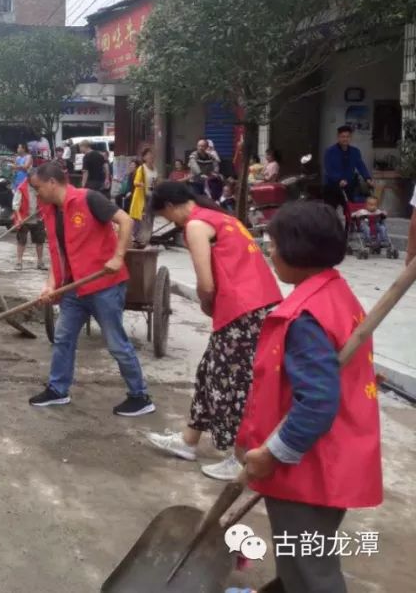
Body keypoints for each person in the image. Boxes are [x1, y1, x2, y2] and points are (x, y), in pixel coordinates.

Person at [238, 202, 381, 593]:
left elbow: (316, 402)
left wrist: (271, 454)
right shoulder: (334, 292)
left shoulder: (306, 316)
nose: (270, 251)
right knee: (299, 558)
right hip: (326, 458)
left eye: (274, 243)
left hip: (310, 466)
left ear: (299, 250)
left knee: (311, 569)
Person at [145, 181, 281, 480]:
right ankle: (188, 441)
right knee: (209, 372)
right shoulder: (223, 218)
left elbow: (206, 285)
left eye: (166, 216)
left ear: (169, 206)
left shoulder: (196, 225)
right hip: (258, 305)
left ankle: (241, 456)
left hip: (241, 311)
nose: (170, 221)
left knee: (231, 383)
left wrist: (207, 304)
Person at [27, 161, 155, 417]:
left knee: (116, 343)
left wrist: (119, 256)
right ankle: (58, 389)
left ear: (52, 183)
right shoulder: (52, 211)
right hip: (74, 289)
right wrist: (50, 285)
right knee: (63, 338)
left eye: (38, 188)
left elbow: (126, 221)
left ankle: (140, 397)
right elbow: (58, 254)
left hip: (104, 285)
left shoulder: (89, 199)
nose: (36, 193)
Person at [323, 125, 372, 210]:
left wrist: (367, 178)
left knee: (350, 211)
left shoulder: (355, 151)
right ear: (338, 137)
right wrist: (339, 179)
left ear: (351, 138)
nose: (345, 139)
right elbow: (329, 169)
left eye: (347, 137)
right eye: (343, 137)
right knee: (329, 211)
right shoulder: (330, 151)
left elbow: (360, 165)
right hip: (332, 186)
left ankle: (349, 223)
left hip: (348, 186)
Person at [12, 166, 46, 271]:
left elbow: (46, 201)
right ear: (29, 179)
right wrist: (19, 218)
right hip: (24, 218)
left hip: (38, 217)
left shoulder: (42, 187)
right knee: (21, 240)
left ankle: (40, 262)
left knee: (40, 241)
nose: (35, 183)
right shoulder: (22, 188)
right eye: (33, 180)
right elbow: (15, 205)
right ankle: (18, 262)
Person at [129, 147, 157, 246]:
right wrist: (142, 185)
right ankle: (139, 239)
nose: (151, 157)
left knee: (150, 218)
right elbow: (135, 182)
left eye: (152, 155)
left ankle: (147, 238)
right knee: (142, 218)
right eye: (148, 155)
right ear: (144, 157)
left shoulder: (154, 168)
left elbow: (156, 181)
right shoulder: (141, 168)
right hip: (142, 197)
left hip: (152, 196)